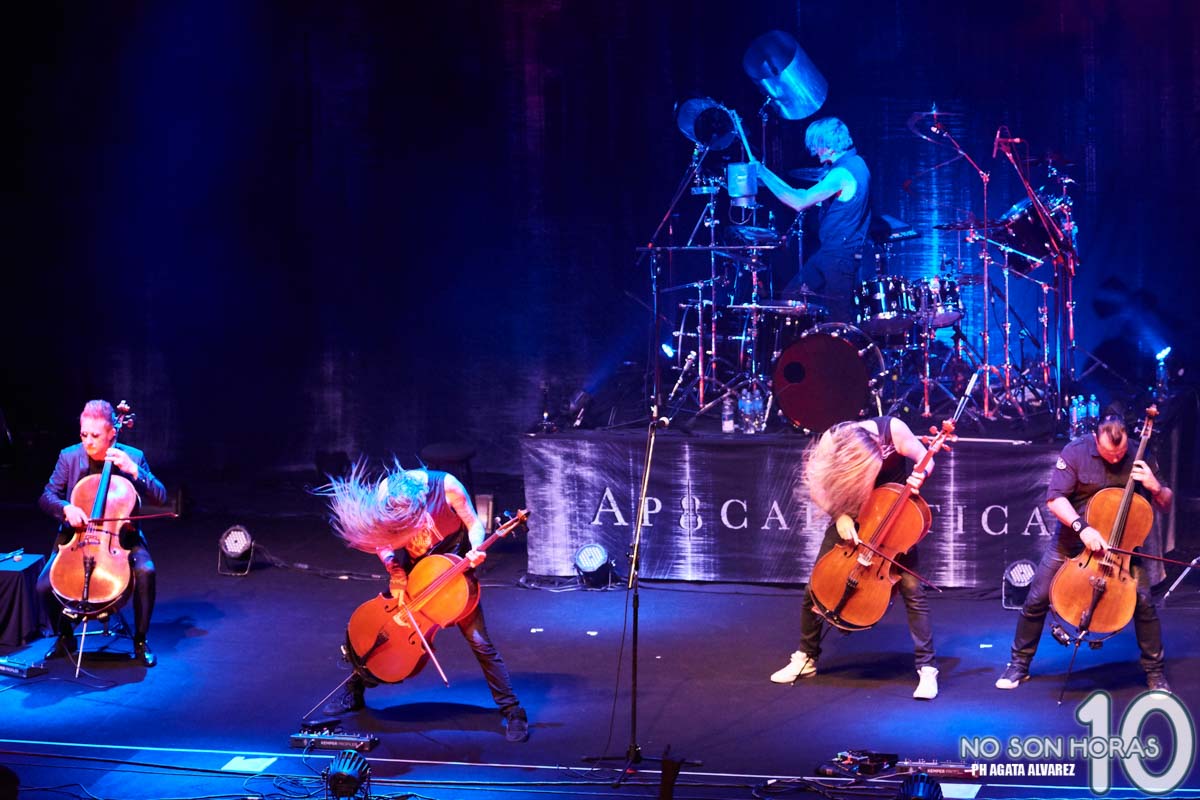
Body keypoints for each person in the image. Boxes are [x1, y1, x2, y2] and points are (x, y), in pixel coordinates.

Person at [320, 463, 530, 743]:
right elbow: (381, 541)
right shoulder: (385, 493)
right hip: (414, 572)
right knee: (385, 627)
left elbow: (474, 524)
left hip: (451, 569)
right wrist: (394, 568)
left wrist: (475, 550)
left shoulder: (448, 487)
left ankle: (512, 709)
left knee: (479, 640)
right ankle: (355, 689)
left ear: (421, 498)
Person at [995, 415, 1173, 692]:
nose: (1116, 459)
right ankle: (1019, 664)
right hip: (1073, 541)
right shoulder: (1076, 452)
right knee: (1037, 598)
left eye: (1120, 454)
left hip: (1120, 548)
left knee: (1144, 603)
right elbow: (1055, 499)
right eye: (1109, 454)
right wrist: (1082, 528)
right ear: (1096, 439)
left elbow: (1165, 503)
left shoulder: (1140, 454)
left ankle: (1155, 672)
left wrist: (1155, 486)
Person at [771, 416, 940, 699]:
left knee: (912, 588)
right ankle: (806, 657)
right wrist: (839, 516)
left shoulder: (893, 431)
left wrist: (921, 474)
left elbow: (927, 459)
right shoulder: (832, 441)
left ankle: (927, 667)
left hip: (893, 519)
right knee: (817, 584)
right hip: (852, 515)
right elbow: (817, 488)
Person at [37, 399, 167, 667]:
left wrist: (135, 471)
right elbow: (47, 496)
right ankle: (65, 637)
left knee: (146, 572)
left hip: (120, 539)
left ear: (111, 433)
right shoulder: (69, 456)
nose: (88, 441)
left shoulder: (133, 456)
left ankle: (140, 641)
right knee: (43, 585)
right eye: (83, 434)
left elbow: (161, 496)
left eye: (95, 436)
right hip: (76, 538)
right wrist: (65, 508)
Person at [752, 117, 871, 323]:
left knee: (839, 320)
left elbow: (799, 201)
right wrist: (765, 173)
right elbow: (800, 194)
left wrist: (763, 174)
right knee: (792, 297)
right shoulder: (858, 163)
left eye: (817, 145)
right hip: (832, 252)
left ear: (829, 146)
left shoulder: (842, 173)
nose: (815, 152)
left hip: (839, 255)